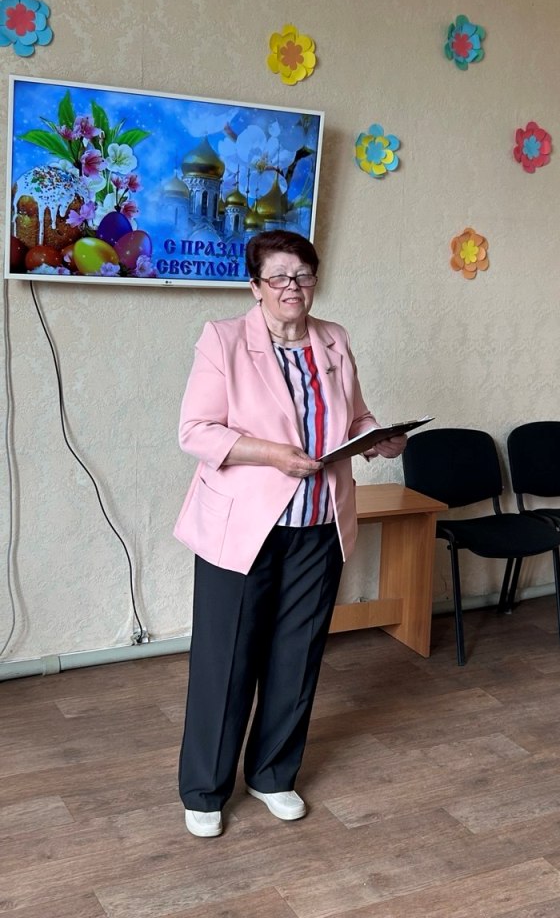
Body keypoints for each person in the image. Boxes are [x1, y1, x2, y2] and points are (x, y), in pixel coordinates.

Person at [173, 229, 406, 838]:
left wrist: (378, 439)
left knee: (297, 655)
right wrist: (272, 454)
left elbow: (355, 416)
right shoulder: (223, 339)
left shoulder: (334, 339)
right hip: (243, 527)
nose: (291, 287)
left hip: (319, 523)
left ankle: (274, 774)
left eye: (302, 276)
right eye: (277, 277)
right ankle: (204, 789)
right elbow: (196, 431)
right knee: (227, 659)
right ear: (255, 286)